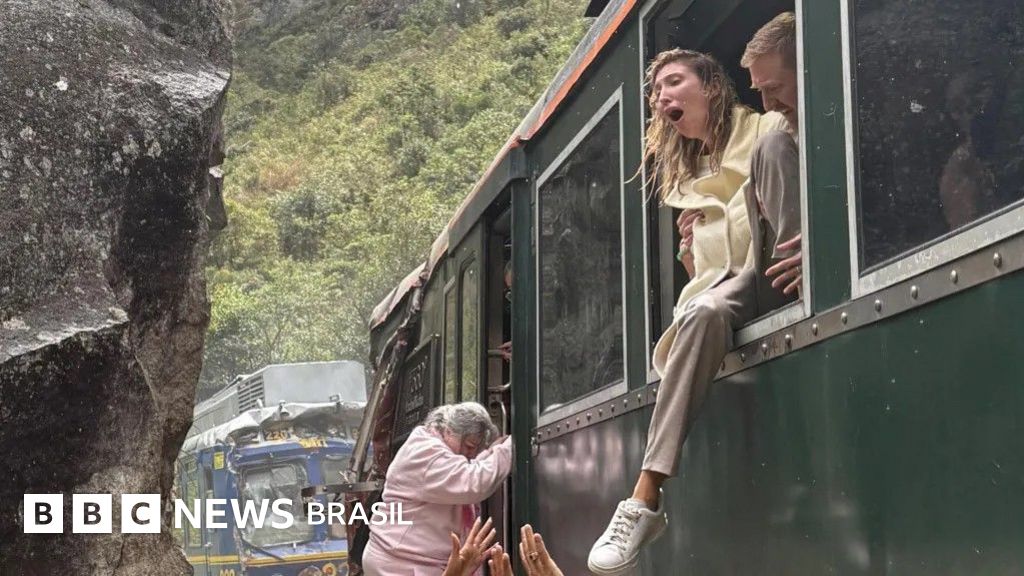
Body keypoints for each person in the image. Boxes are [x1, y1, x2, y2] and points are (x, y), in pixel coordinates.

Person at [587, 13, 802, 575]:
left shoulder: (762, 129)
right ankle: (645, 500)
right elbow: (709, 277)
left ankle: (642, 495)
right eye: (655, 90)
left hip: (782, 273)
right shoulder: (685, 181)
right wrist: (690, 255)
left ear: (711, 86)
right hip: (730, 293)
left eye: (673, 82)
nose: (660, 96)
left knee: (772, 152)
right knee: (702, 310)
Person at [362, 402, 512, 576]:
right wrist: (511, 447)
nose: (471, 454)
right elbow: (472, 482)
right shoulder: (425, 453)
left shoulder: (431, 445)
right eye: (470, 446)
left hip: (409, 560)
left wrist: (492, 453)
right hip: (399, 565)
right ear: (449, 431)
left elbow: (464, 468)